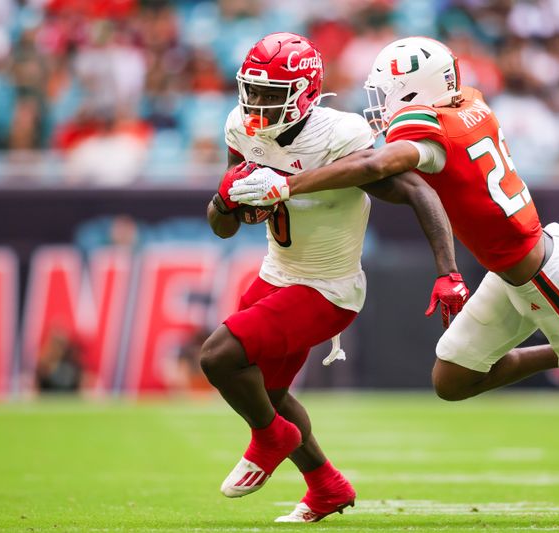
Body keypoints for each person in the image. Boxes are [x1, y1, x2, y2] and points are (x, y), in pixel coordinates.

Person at [228, 36, 559, 523]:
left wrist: (286, 185)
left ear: (415, 92)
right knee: (452, 380)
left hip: (546, 280)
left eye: (388, 93)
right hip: (513, 274)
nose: (381, 104)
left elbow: (381, 163)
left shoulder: (428, 133)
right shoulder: (469, 102)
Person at [199, 33, 468, 524]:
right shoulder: (240, 126)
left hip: (327, 290)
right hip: (275, 273)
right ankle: (326, 486)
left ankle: (271, 437)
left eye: (270, 92)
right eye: (252, 90)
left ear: (303, 92)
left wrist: (448, 271)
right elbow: (223, 226)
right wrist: (224, 199)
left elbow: (416, 190)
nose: (256, 103)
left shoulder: (338, 135)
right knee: (270, 394)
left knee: (218, 357)